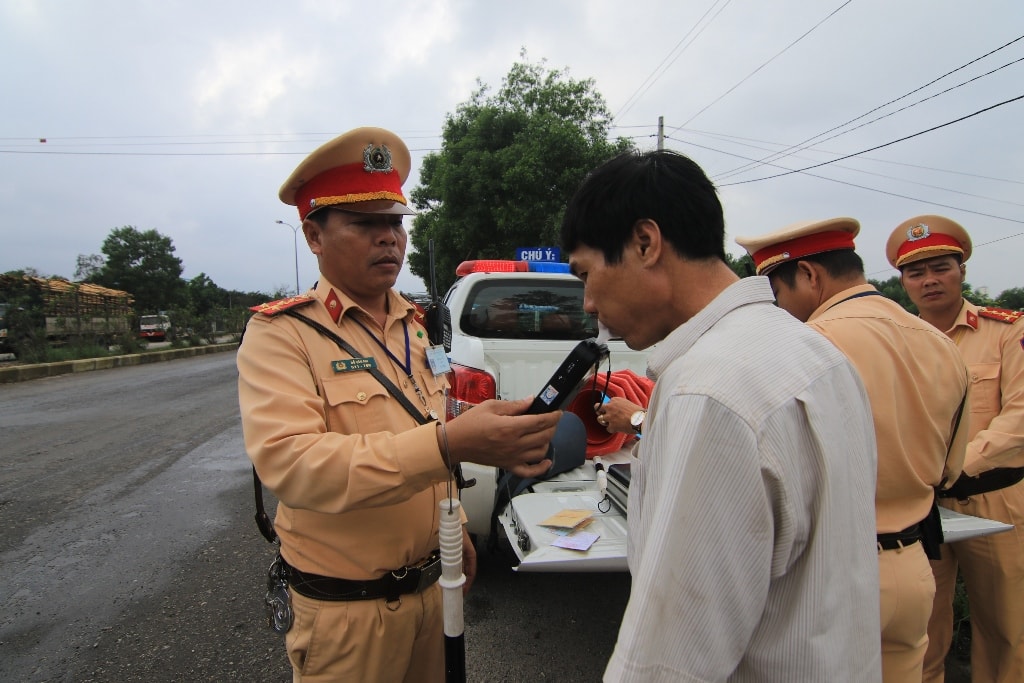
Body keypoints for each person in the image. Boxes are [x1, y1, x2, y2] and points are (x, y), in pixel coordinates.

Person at [237, 127, 562, 682]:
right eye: (366, 224)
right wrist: (449, 444)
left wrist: (455, 526)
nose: (389, 238)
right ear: (313, 236)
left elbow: (431, 427)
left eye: (395, 223)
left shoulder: (415, 325)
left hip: (435, 592)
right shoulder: (282, 335)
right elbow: (293, 467)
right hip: (348, 616)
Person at [560, 149, 883, 682]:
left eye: (585, 273)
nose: (588, 302)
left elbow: (670, 659)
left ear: (645, 243)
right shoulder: (818, 356)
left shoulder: (708, 391)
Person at [737, 217, 970, 682]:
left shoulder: (804, 346)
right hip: (912, 567)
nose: (778, 308)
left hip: (830, 572)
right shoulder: (942, 346)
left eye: (777, 294)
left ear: (809, 275)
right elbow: (949, 470)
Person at [886, 214, 1024, 683]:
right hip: (922, 504)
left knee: (1006, 631)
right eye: (915, 272)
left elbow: (1019, 419)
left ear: (962, 270)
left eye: (940, 267)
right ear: (903, 282)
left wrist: (954, 466)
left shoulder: (1006, 332)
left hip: (995, 500)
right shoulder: (896, 342)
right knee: (918, 629)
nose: (929, 281)